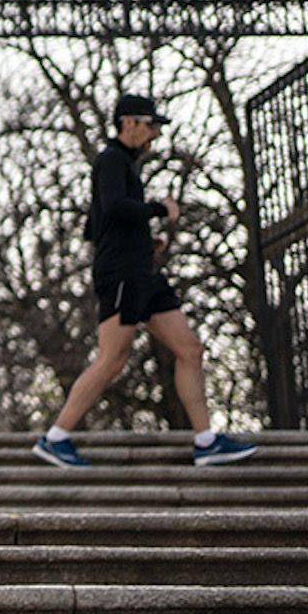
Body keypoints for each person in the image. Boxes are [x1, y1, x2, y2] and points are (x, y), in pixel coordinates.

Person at [33, 95, 257, 468]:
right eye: (151, 125)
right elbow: (115, 207)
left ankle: (206, 441)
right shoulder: (111, 161)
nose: (154, 134)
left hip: (142, 272)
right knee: (111, 360)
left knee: (190, 349)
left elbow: (98, 224)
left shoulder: (126, 166)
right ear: (129, 123)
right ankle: (55, 438)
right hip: (122, 275)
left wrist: (144, 239)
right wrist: (157, 210)